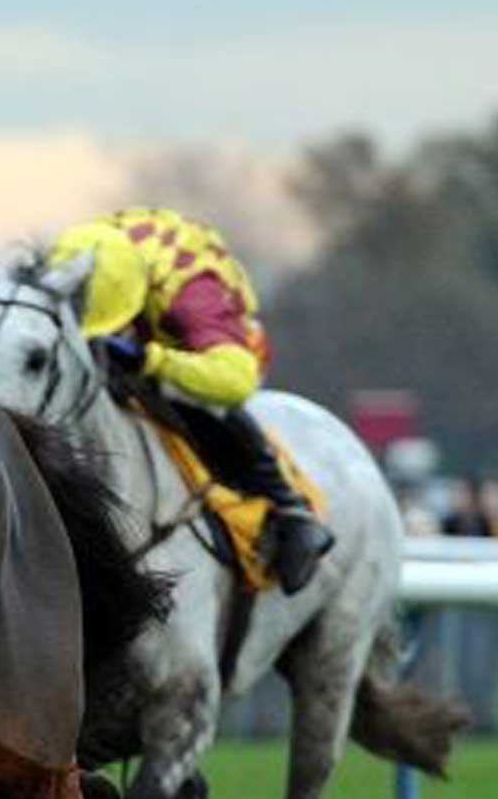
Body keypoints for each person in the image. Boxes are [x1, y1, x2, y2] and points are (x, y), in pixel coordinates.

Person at [47, 209, 335, 595]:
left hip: (222, 353)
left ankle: (290, 509)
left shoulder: (193, 299)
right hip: (143, 318)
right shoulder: (78, 253)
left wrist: (151, 359)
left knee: (198, 402)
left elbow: (235, 380)